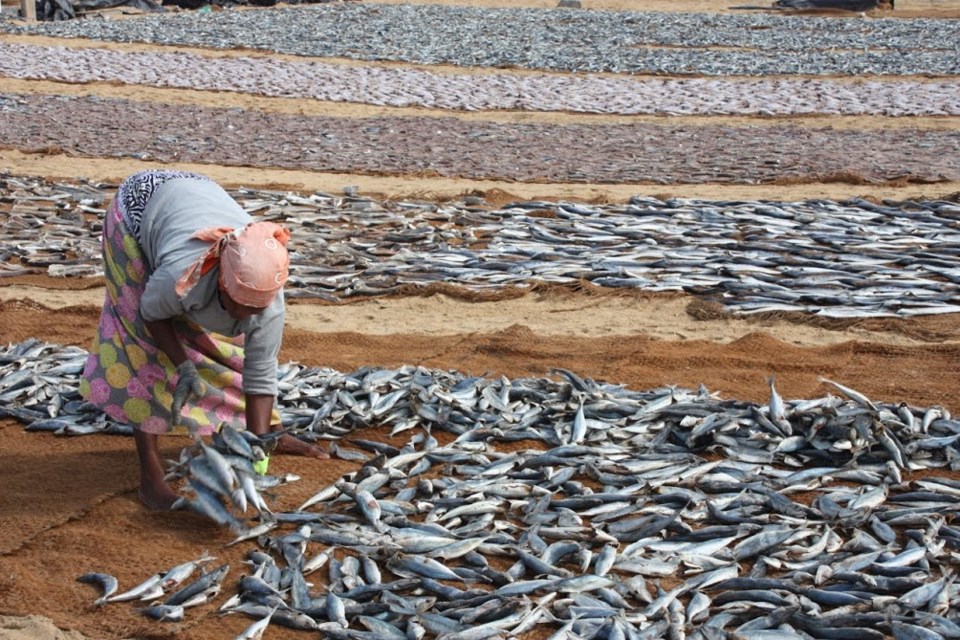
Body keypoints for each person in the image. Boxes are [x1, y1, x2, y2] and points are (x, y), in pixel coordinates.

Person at [79, 169, 328, 511]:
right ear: (222, 284)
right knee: (146, 348)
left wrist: (256, 446)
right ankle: (151, 477)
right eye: (235, 306)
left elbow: (261, 369)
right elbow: (151, 315)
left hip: (192, 197)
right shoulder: (180, 276)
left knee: (237, 345)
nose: (242, 317)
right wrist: (183, 365)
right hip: (137, 213)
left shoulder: (268, 301)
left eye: (252, 310)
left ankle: (266, 436)